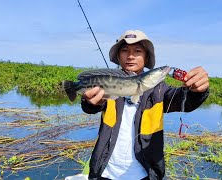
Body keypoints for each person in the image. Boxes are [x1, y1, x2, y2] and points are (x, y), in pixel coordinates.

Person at [81, 30, 209, 180]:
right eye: (124, 50)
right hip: (105, 172)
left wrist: (198, 90)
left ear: (146, 56)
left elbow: (185, 101)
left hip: (145, 174)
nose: (130, 56)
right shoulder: (109, 84)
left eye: (137, 51)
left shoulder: (160, 90)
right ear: (118, 56)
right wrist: (90, 101)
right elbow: (90, 107)